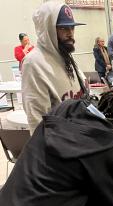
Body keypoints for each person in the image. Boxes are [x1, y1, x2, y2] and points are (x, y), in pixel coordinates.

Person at [22, 2, 86, 133]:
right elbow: (37, 122)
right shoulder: (33, 63)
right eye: (63, 28)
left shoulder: (65, 55)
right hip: (62, 146)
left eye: (72, 28)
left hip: (81, 138)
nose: (70, 34)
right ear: (47, 30)